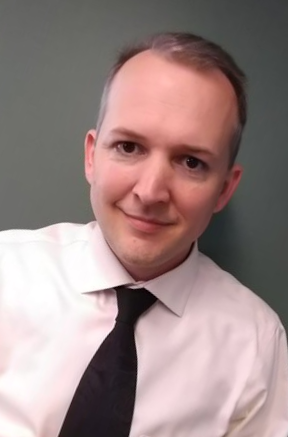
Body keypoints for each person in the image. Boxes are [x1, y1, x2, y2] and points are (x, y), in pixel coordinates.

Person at [0, 32, 287, 437]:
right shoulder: (6, 274)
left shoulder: (257, 343)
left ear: (224, 188)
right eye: (129, 147)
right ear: (91, 156)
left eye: (191, 162)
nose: (150, 191)